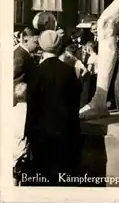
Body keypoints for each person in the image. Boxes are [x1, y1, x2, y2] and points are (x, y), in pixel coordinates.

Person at [25, 30, 81, 185]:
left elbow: (32, 106)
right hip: (65, 133)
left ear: (41, 47)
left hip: (41, 135)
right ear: (59, 47)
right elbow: (75, 102)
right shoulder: (69, 71)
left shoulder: (36, 72)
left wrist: (28, 133)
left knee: (43, 180)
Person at [13, 28, 39, 185]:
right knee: (19, 143)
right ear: (25, 39)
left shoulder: (22, 54)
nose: (37, 45)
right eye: (35, 42)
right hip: (19, 104)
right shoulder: (20, 57)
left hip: (21, 103)